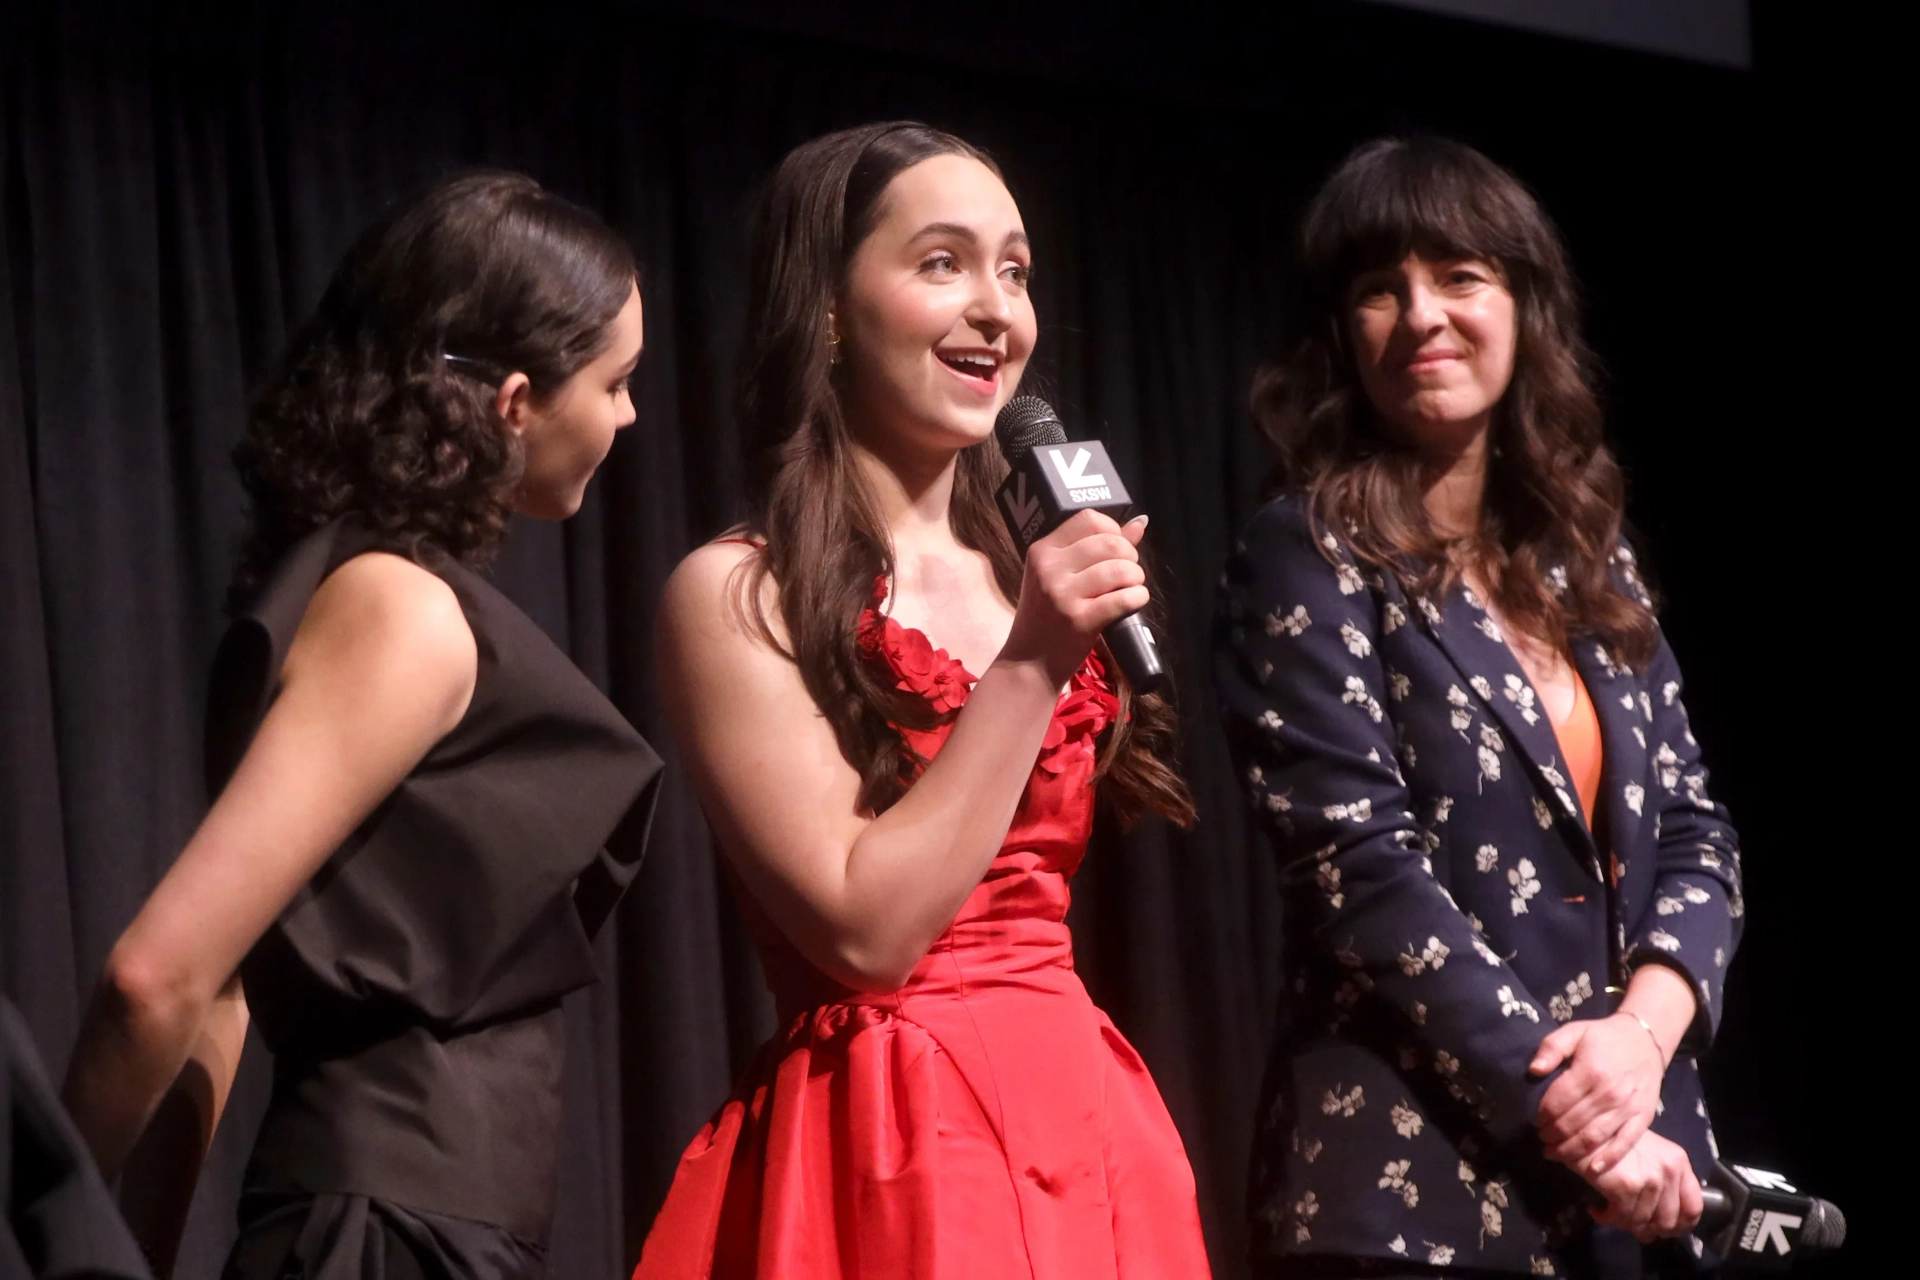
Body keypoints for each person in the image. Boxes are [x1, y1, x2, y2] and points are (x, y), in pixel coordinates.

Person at [634, 122, 1211, 1280]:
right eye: (943, 262)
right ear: (833, 309)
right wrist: (1035, 658)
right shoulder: (739, 591)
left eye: (1015, 269)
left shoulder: (1021, 566)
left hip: (1085, 1117)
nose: (997, 308)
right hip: (894, 1137)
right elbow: (866, 929)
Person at [59, 170, 661, 1279]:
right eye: (617, 381)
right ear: (517, 401)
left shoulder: (367, 592)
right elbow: (160, 976)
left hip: (421, 1232)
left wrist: (115, 1251)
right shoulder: (400, 609)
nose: (629, 414)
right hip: (389, 1238)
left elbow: (220, 990)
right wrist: (49, 1229)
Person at [1216, 137, 1744, 1278]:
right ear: (1339, 335)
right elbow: (1359, 870)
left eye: (1460, 276)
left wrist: (1641, 1042)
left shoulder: (1584, 557)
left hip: (1640, 1184)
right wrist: (1585, 1114)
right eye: (1378, 289)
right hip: (1415, 1196)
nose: (1422, 316)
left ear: (1523, 306)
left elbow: (1699, 835)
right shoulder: (1302, 554)